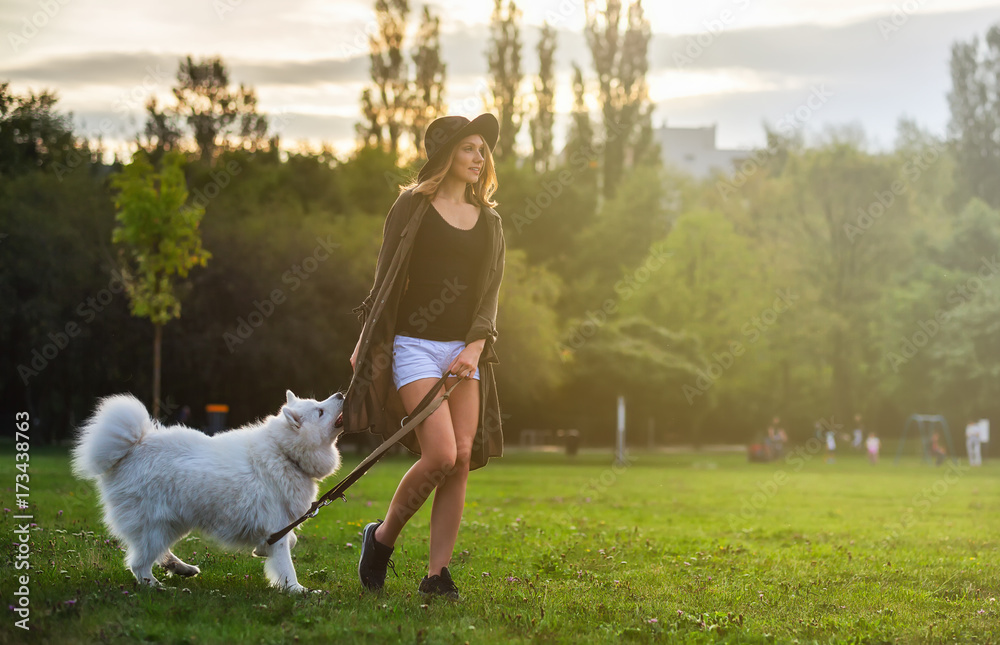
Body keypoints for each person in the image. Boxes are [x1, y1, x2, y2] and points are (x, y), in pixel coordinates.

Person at [343, 113, 506, 601]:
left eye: (483, 150)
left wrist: (475, 346)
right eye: (469, 149)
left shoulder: (490, 221)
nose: (479, 158)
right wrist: (366, 339)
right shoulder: (412, 206)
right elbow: (386, 276)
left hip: (465, 350)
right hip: (413, 345)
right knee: (441, 454)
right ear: (446, 155)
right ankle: (381, 539)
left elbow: (491, 292)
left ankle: (437, 576)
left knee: (459, 462)